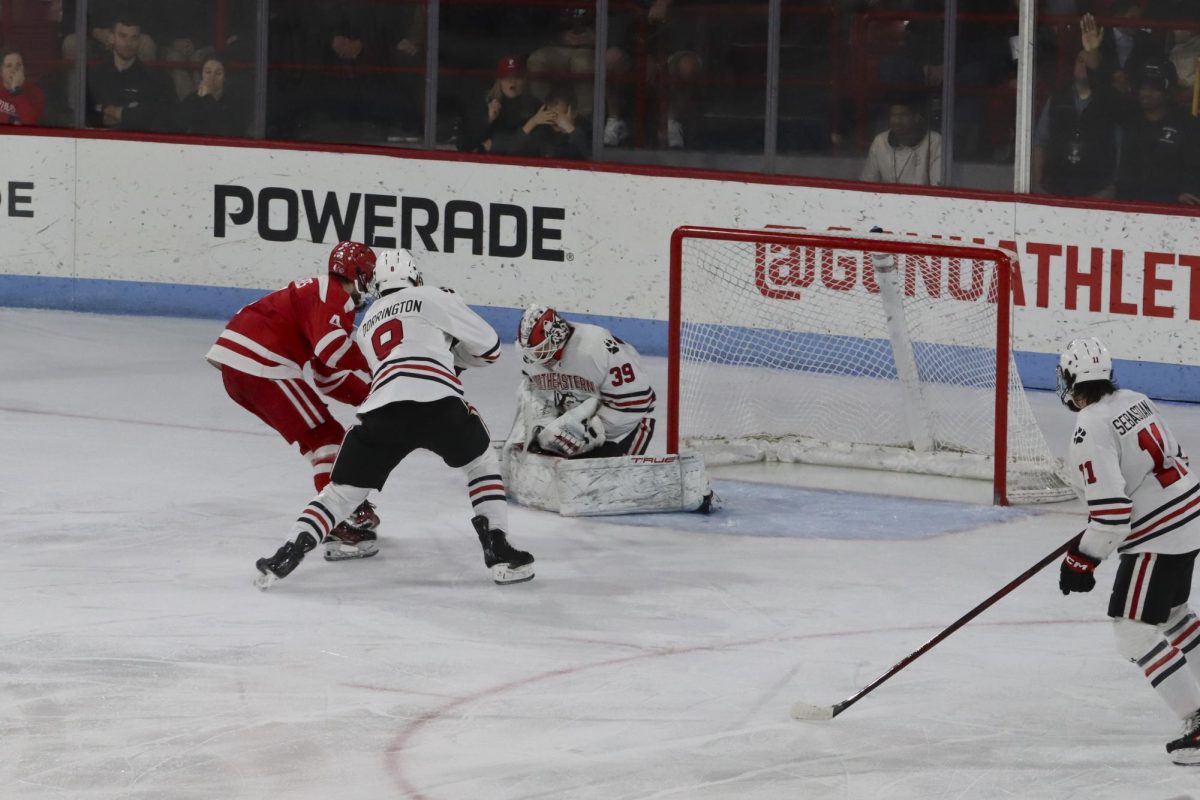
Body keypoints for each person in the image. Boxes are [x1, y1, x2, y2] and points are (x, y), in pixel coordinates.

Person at [254, 249, 535, 588]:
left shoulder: (367, 321)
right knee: (481, 464)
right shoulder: (432, 296)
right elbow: (489, 348)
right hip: (438, 402)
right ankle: (499, 551)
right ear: (414, 276)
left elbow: (391, 362)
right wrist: (450, 355)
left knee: (339, 494)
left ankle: (287, 552)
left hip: (380, 409)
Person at [1056, 336, 1200, 766]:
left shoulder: (1089, 428)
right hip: (1190, 514)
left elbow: (1114, 512)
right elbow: (1175, 457)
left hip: (1160, 535)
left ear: (1069, 380)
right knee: (1172, 613)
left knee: (1132, 629)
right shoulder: (1136, 399)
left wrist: (1083, 559)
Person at [207, 241, 382, 562]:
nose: (370, 288)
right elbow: (333, 353)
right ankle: (336, 520)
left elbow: (326, 375)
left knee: (321, 438)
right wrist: (376, 362)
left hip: (245, 366)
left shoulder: (321, 297)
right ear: (357, 276)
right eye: (369, 278)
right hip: (261, 363)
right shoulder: (334, 296)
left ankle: (342, 510)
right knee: (326, 438)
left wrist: (374, 395)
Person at [510, 305, 656, 459]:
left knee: (615, 479)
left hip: (625, 422)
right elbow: (536, 393)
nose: (536, 358)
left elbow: (636, 401)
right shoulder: (526, 354)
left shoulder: (594, 347)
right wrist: (543, 425)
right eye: (531, 352)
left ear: (558, 334)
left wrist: (593, 431)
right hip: (575, 417)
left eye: (541, 349)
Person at [1032, 47, 1120, 198]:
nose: (1083, 65)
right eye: (1080, 60)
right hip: (1055, 188)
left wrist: (1112, 186)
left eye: (1088, 61)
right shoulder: (1056, 100)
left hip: (1096, 191)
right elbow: (1040, 142)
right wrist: (1038, 180)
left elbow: (1119, 145)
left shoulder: (1108, 103)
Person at [1115, 58, 1200, 204]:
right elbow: (1126, 177)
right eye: (1143, 87)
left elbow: (1193, 171)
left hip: (1173, 211)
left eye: (1154, 89)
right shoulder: (1130, 123)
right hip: (1131, 208)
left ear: (1168, 92)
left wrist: (1179, 196)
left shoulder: (1188, 125)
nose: (1146, 93)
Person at [84, 9, 174, 131]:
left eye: (134, 37)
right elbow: (85, 116)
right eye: (123, 36)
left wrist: (109, 111)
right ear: (111, 37)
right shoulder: (93, 75)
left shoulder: (155, 78)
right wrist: (128, 114)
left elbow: (154, 119)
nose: (128, 43)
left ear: (140, 40)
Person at [457, 55, 542, 154]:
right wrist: (488, 119)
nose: (512, 82)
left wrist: (496, 144)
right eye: (506, 77)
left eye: (517, 77)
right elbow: (464, 145)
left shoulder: (535, 105)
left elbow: (537, 145)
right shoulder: (485, 103)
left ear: (525, 79)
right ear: (499, 80)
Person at [860, 91, 943, 186]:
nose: (897, 121)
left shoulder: (934, 141)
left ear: (916, 117)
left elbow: (937, 187)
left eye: (903, 115)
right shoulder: (880, 141)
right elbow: (868, 182)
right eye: (893, 115)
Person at [178, 57, 248, 136]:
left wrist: (208, 98)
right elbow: (181, 125)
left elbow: (226, 131)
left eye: (218, 73)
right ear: (202, 75)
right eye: (208, 72)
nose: (212, 77)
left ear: (225, 77)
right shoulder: (192, 98)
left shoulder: (234, 101)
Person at [0, 48, 45, 125]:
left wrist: (16, 91)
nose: (14, 70)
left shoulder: (35, 92)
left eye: (19, 65)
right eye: (8, 66)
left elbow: (30, 121)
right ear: (1, 71)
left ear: (24, 68)